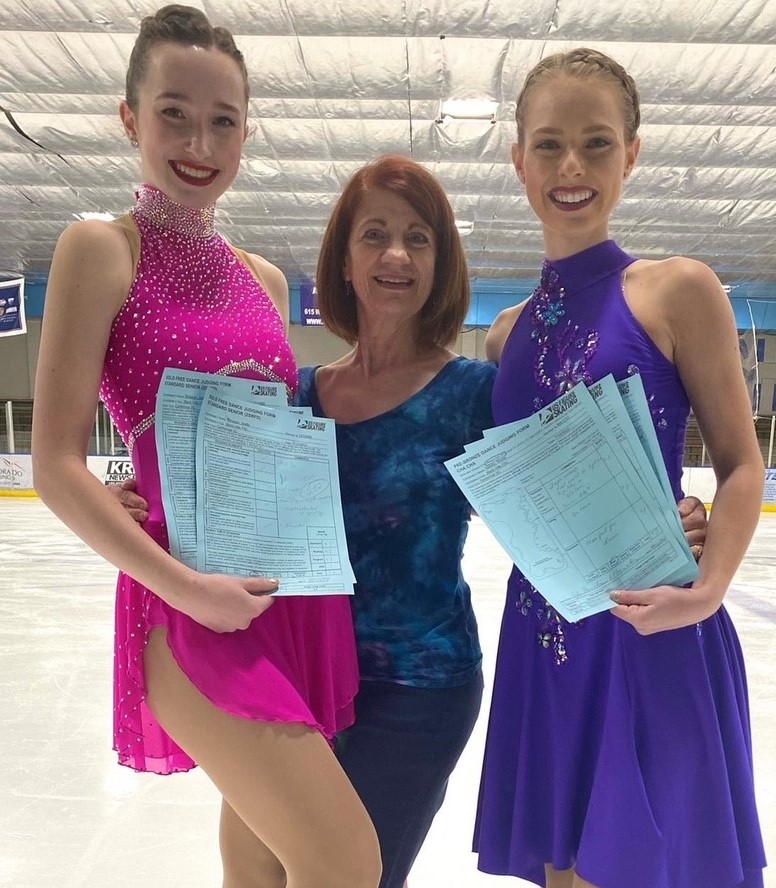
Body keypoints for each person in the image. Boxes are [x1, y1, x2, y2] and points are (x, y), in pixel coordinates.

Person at [115, 152, 710, 888]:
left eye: (418, 238)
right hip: (299, 681)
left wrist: (665, 520)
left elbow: (570, 481)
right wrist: (132, 494)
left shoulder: (473, 394)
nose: (395, 254)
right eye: (374, 235)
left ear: (440, 263)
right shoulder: (294, 394)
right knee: (254, 873)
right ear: (344, 258)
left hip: (417, 691)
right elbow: (199, 483)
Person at [30, 6, 381, 888]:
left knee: (261, 863)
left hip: (286, 595)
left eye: (223, 120)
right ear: (130, 118)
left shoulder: (263, 279)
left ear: (246, 133)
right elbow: (55, 464)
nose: (199, 140)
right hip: (181, 605)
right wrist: (187, 585)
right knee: (343, 860)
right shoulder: (101, 251)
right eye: (174, 113)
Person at [473, 48, 766, 888]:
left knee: (640, 863)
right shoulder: (504, 336)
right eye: (550, 144)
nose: (572, 166)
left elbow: (742, 463)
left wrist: (708, 585)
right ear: (519, 158)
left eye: (597, 143)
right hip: (544, 631)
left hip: (656, 623)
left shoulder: (679, 290)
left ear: (631, 154)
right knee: (563, 868)